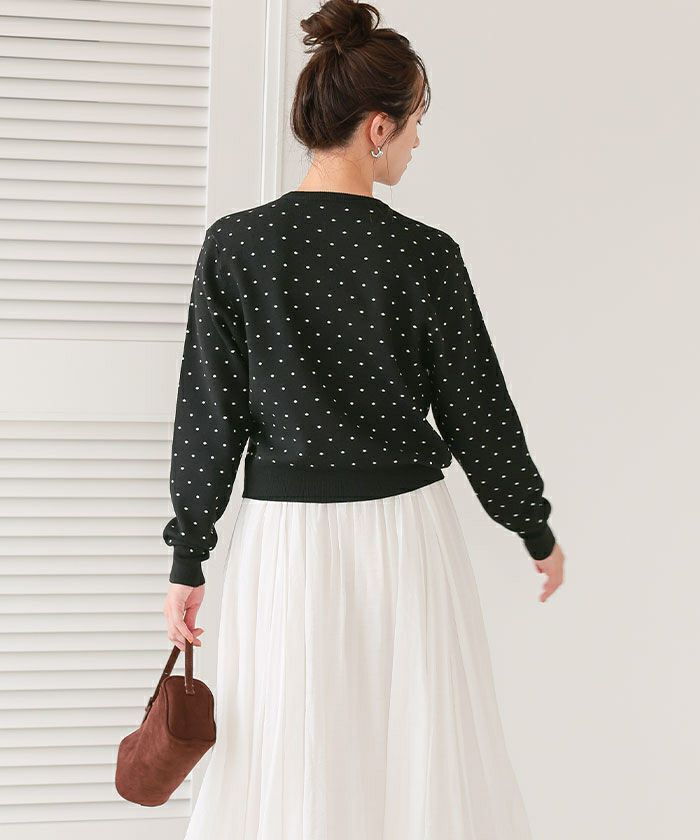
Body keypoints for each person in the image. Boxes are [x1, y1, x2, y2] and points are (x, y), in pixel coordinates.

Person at [162, 0, 565, 837]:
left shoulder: (237, 245)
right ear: (378, 128)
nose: (417, 141)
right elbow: (478, 411)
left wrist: (189, 554)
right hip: (404, 536)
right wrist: (532, 526)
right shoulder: (425, 254)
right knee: (412, 750)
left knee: (288, 747)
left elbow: (209, 412)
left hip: (283, 541)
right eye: (415, 124)